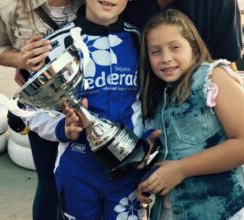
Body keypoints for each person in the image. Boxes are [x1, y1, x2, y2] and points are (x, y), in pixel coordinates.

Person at [22, 0, 160, 219]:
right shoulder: (55, 44)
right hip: (76, 172)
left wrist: (150, 148)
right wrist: (62, 128)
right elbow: (30, 110)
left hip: (129, 172)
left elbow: (155, 102)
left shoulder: (142, 41)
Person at [136, 9, 244, 220]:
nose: (166, 58)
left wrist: (181, 170)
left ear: (193, 46)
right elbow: (169, 157)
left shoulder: (213, 78)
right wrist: (149, 181)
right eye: (156, 51)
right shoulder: (160, 95)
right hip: (172, 210)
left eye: (175, 47)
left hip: (219, 210)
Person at [0, 0, 83, 219]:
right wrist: (22, 59)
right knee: (50, 184)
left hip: (95, 102)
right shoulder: (3, 4)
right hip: (43, 107)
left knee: (92, 184)